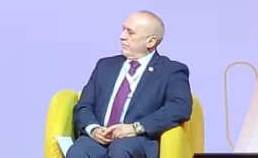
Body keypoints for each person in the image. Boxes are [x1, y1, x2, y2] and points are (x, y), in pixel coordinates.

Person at [68, 11, 193, 158]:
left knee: (121, 150)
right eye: (123, 29)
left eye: (130, 32)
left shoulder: (171, 70)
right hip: (99, 139)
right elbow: (84, 105)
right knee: (78, 151)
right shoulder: (105, 66)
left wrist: (135, 128)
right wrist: (93, 129)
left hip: (138, 140)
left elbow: (180, 107)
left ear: (151, 42)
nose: (122, 36)